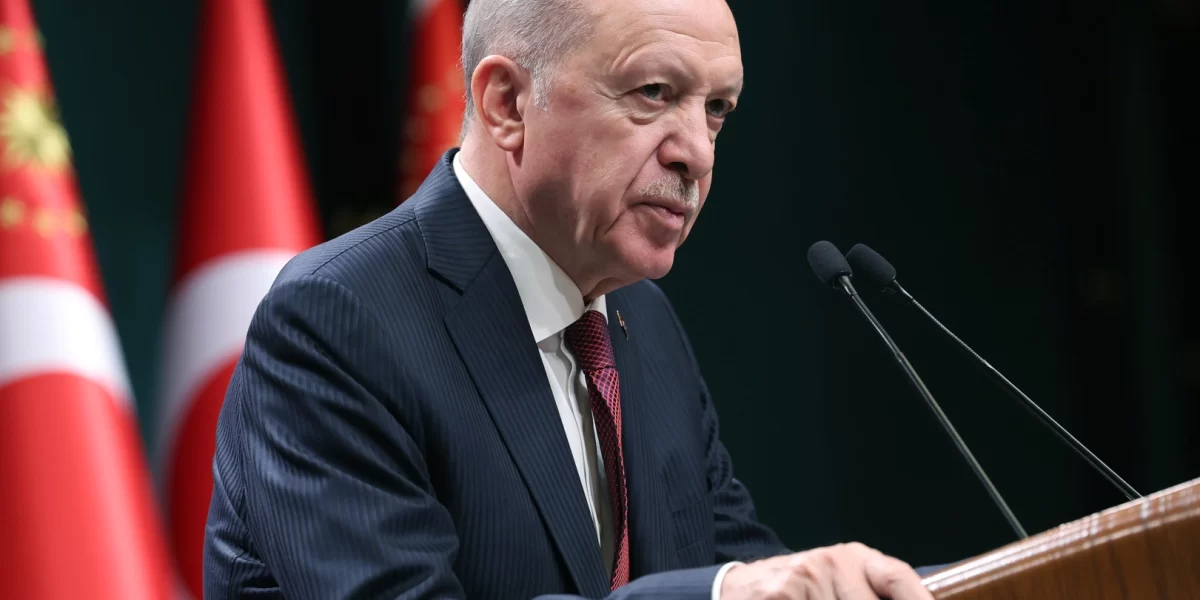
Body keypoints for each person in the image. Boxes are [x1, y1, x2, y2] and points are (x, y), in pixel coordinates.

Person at [203, 0, 938, 598]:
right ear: (507, 103)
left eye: (717, 108)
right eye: (654, 93)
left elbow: (740, 565)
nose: (697, 152)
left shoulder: (640, 319)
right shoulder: (338, 321)